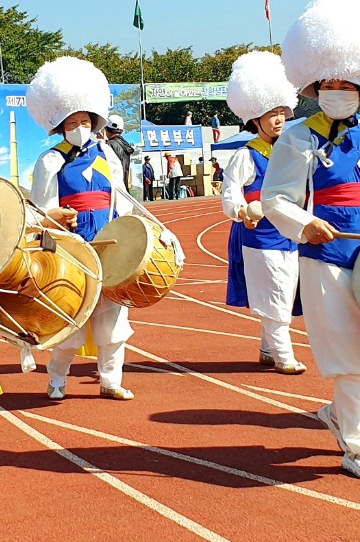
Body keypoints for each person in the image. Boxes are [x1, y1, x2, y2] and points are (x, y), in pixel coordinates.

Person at [262, 0, 360, 480]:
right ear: (316, 84)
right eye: (329, 82)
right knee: (350, 355)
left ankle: (339, 413)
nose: (337, 90)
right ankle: (357, 444)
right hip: (326, 259)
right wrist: (305, 224)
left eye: (347, 83)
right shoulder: (298, 136)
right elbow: (274, 198)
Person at [27, 57, 184, 401]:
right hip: (72, 252)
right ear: (61, 125)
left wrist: (147, 230)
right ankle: (57, 379)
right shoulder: (50, 161)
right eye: (72, 122)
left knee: (113, 324)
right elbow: (40, 211)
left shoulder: (107, 155)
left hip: (110, 248)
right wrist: (55, 219)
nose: (80, 126)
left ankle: (111, 381)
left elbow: (122, 200)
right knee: (71, 321)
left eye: (85, 120)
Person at [221, 51, 304, 374]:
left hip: (291, 234)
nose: (278, 120)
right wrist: (242, 211)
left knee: (285, 290)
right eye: (271, 115)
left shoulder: (291, 151)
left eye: (281, 112)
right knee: (274, 292)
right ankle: (284, 357)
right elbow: (230, 192)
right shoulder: (246, 155)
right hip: (260, 236)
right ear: (255, 120)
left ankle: (268, 349)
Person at [103, 114, 135, 190]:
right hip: (124, 187)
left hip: (113, 188)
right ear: (122, 130)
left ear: (106, 129)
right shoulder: (125, 145)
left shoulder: (108, 145)